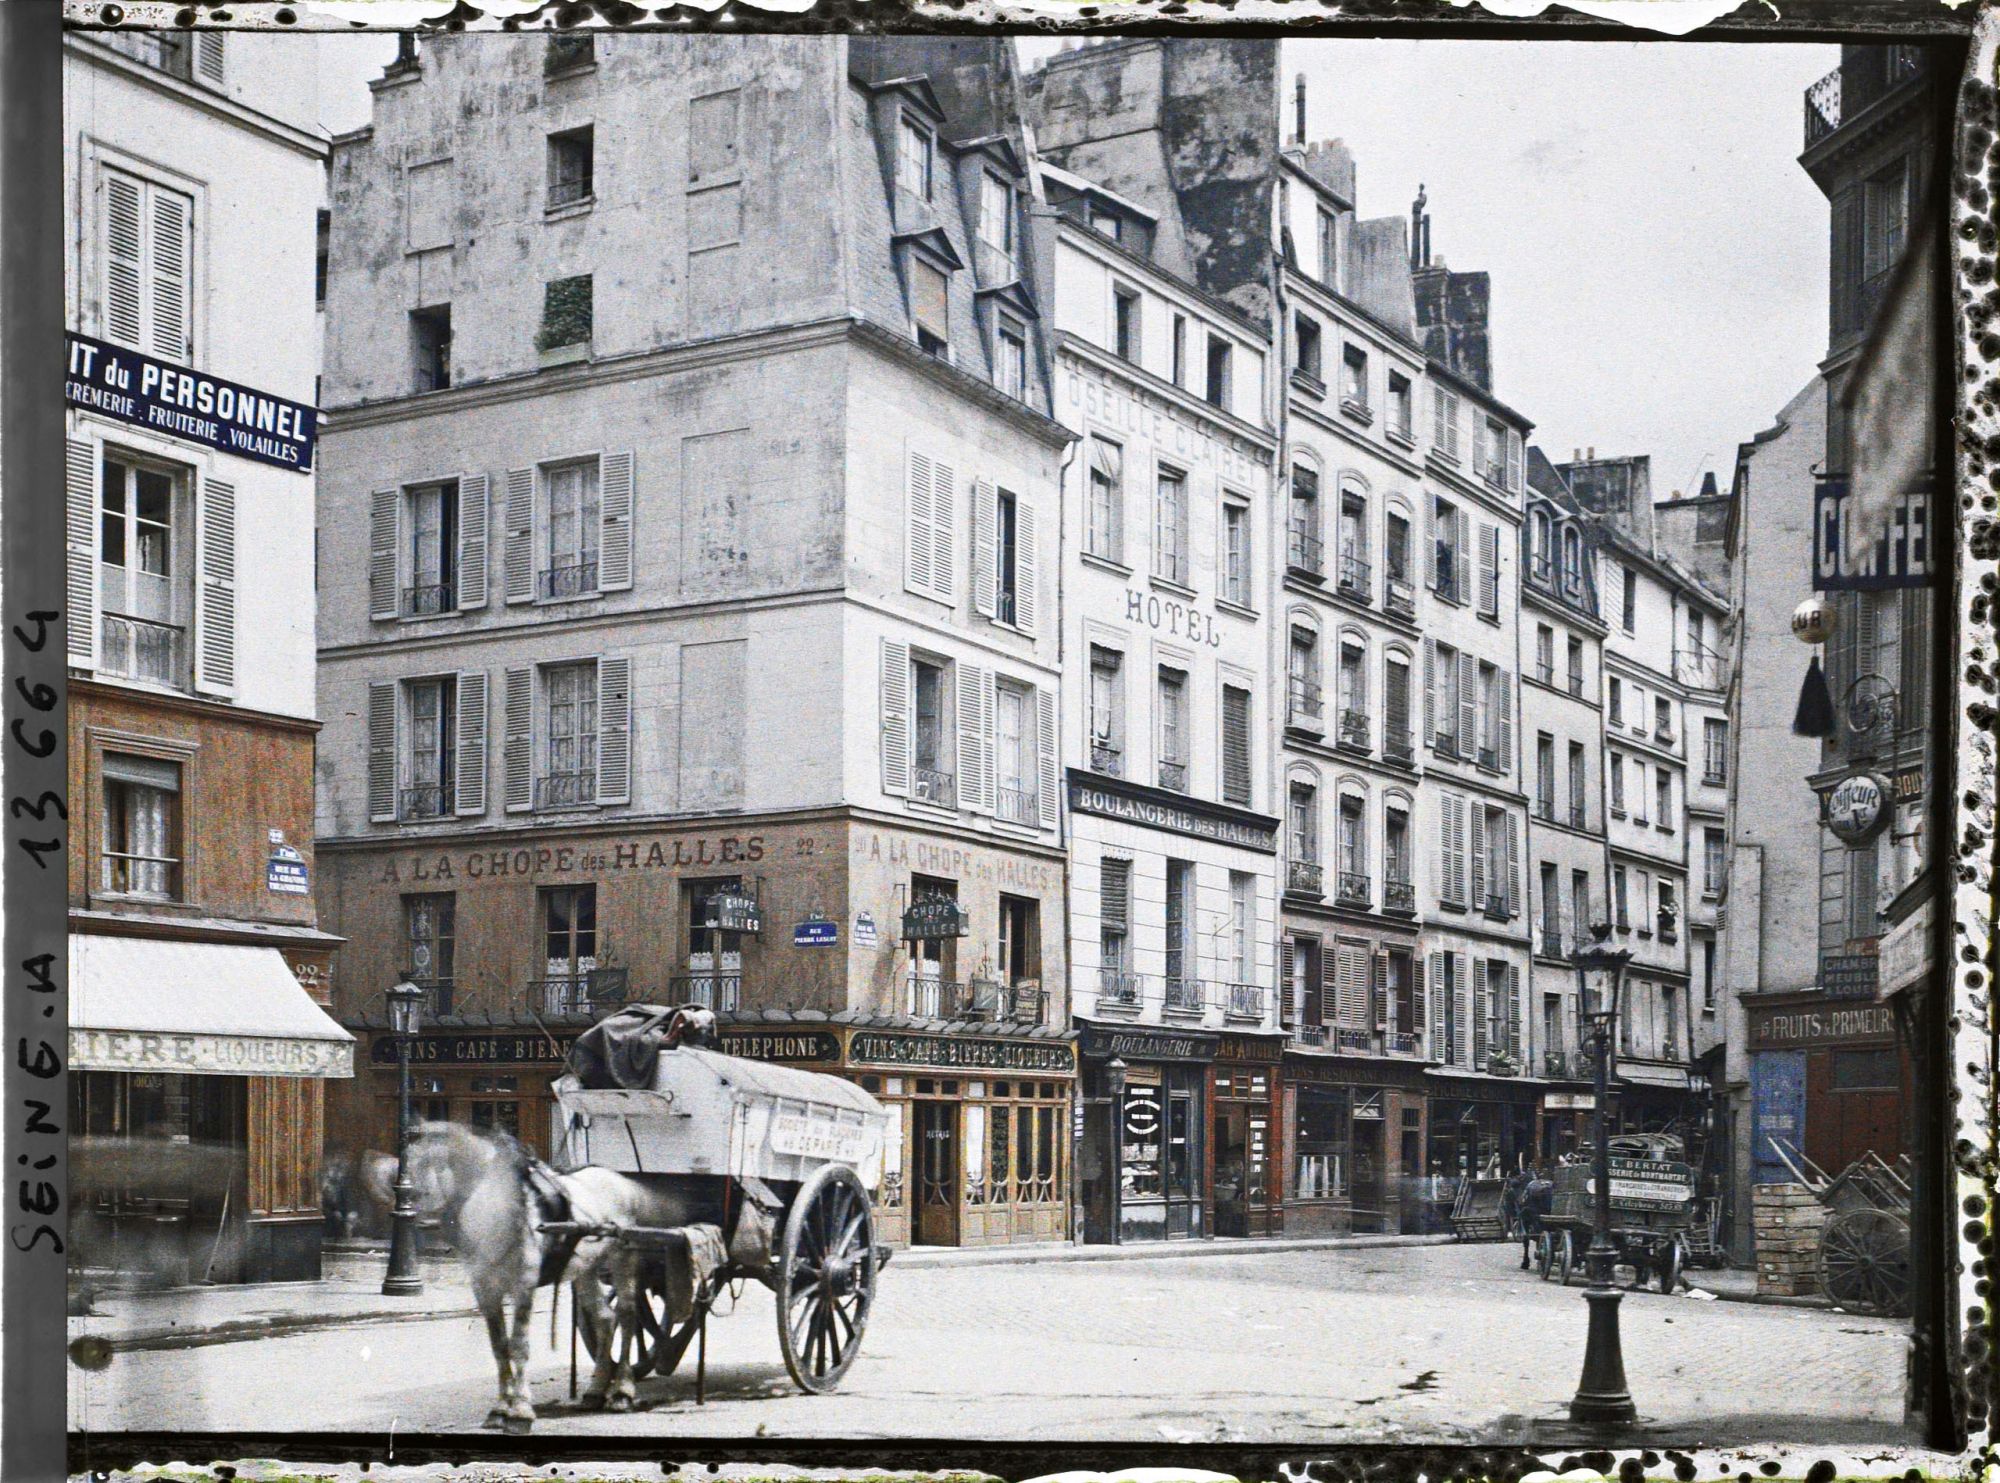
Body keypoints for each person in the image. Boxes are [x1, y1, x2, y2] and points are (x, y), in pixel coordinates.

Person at [1519, 1166, 1555, 1270]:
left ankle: (1526, 1258)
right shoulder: (1551, 1185)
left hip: (1534, 1213)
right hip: (1548, 1213)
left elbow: (1523, 1201)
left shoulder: (1530, 1187)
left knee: (1524, 1216)